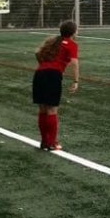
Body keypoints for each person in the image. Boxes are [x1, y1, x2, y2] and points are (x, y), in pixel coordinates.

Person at [33, 20, 79, 151]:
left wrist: (43, 64)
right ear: (74, 32)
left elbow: (37, 52)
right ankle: (52, 143)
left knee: (42, 109)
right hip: (53, 75)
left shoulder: (52, 40)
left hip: (39, 74)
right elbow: (74, 63)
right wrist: (76, 81)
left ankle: (44, 142)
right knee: (52, 110)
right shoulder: (71, 44)